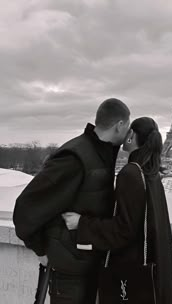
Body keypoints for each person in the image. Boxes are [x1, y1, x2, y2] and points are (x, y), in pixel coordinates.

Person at [13, 98, 130, 304]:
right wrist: (40, 250)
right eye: (127, 125)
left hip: (87, 263)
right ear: (120, 125)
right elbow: (26, 206)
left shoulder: (99, 153)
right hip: (69, 271)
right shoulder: (75, 157)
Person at [63, 117, 172, 304]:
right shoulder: (151, 172)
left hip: (128, 275)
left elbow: (124, 229)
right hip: (154, 273)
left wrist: (81, 223)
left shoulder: (131, 173)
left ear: (131, 135)